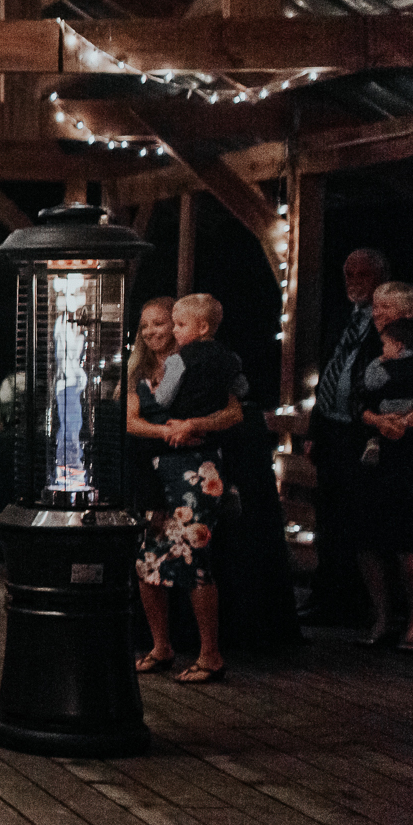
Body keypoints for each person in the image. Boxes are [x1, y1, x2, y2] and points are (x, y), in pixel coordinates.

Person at [128, 293, 246, 683]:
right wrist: (167, 432)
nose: (152, 332)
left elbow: (234, 413)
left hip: (195, 469)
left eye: (162, 324)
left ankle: (210, 654)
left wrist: (194, 425)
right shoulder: (139, 372)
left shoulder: (201, 365)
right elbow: (130, 421)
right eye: (145, 326)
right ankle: (161, 647)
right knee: (148, 560)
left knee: (195, 556)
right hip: (155, 472)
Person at [351, 287, 413, 651]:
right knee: (368, 537)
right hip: (375, 452)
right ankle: (381, 617)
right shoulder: (372, 347)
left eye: (383, 307)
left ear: (406, 312)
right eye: (375, 307)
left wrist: (407, 421)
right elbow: (356, 396)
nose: (376, 313)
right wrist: (378, 421)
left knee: (411, 538)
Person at [309, 248, 389, 624]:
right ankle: (325, 597)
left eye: (362, 274)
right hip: (331, 427)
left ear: (381, 278)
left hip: (364, 432)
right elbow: (329, 368)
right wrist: (314, 428)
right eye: (348, 274)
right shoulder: (343, 317)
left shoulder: (389, 320)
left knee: (356, 521)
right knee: (326, 516)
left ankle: (355, 603)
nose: (353, 281)